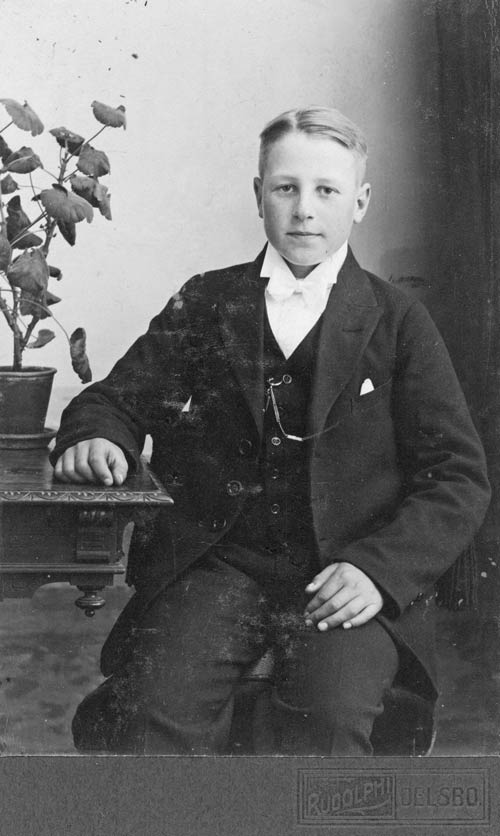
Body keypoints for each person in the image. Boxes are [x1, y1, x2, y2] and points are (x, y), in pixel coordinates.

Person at [51, 106, 490, 755]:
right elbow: (116, 399)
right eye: (286, 188)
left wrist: (376, 571)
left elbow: (457, 476)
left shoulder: (399, 321)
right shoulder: (209, 300)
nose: (304, 210)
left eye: (327, 190)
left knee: (330, 718)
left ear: (360, 202)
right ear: (260, 195)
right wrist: (98, 436)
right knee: (154, 710)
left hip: (345, 573)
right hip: (218, 564)